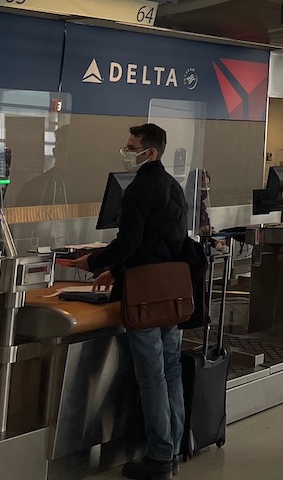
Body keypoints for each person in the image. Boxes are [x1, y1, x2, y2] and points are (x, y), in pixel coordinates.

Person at [62, 124, 188, 480]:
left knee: (151, 377)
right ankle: (172, 450)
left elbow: (130, 242)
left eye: (132, 146)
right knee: (171, 372)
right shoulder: (174, 188)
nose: (126, 151)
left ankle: (160, 457)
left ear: (151, 152)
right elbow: (164, 242)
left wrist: (97, 262)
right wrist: (116, 272)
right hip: (170, 292)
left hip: (145, 299)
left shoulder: (138, 189)